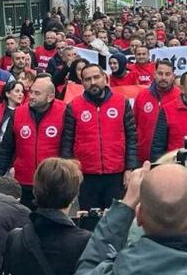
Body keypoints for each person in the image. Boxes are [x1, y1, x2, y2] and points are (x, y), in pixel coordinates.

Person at [59, 63, 139, 210]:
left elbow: (131, 138)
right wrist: (70, 172)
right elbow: (67, 142)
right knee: (88, 218)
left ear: (105, 78)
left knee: (115, 217)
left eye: (96, 77)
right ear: (82, 82)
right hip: (86, 175)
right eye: (87, 79)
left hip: (116, 173)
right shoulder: (73, 106)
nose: (93, 82)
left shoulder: (122, 102)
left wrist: (130, 168)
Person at [0, 74, 68, 209]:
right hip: (24, 181)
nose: (31, 96)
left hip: (51, 183)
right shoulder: (18, 113)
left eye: (37, 93)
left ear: (50, 97)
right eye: (31, 92)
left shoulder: (64, 112)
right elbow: (6, 149)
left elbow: (67, 149)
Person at [132, 58, 177, 163]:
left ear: (173, 76)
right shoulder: (142, 96)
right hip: (143, 158)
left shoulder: (179, 97)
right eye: (160, 73)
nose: (163, 77)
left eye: (167, 74)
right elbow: (134, 126)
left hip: (170, 160)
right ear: (154, 74)